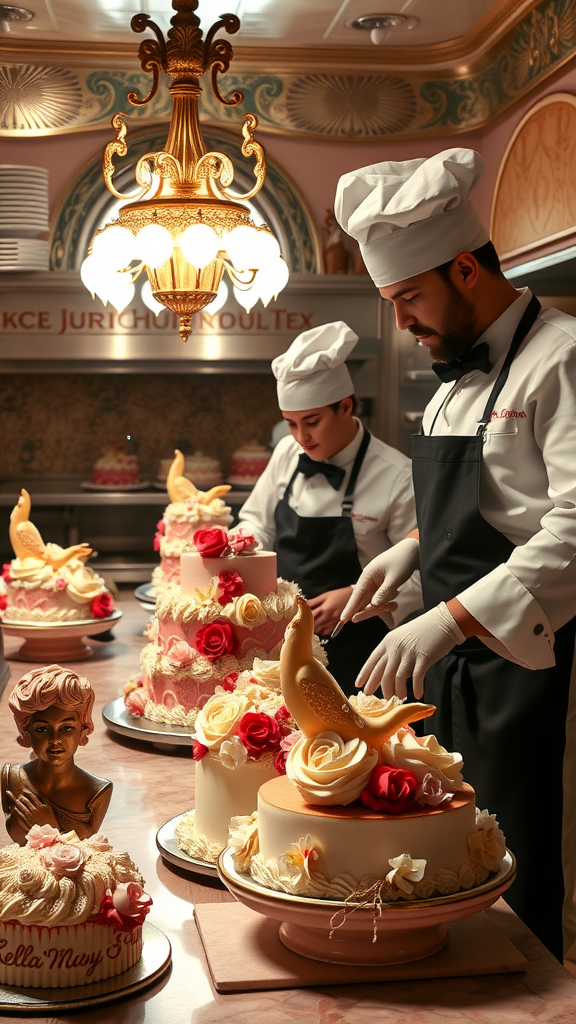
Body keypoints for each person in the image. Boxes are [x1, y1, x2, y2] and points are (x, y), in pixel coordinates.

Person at [333, 147, 576, 960]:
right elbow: (476, 512)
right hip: (450, 666)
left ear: (466, 268)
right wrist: (407, 551)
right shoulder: (446, 384)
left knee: (521, 868)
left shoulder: (562, 358)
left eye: (409, 298)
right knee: (444, 862)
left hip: (532, 669)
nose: (402, 321)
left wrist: (450, 618)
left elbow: (573, 526)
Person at [238, 320, 422, 695]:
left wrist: (358, 595)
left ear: (346, 407)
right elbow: (257, 521)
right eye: (290, 424)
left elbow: (422, 575)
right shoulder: (287, 453)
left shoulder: (398, 476)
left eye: (312, 422)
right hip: (284, 645)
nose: (301, 438)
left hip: (362, 653)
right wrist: (242, 553)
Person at [1, 664, 112, 844]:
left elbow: (86, 851)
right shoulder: (10, 778)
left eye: (66, 728)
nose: (55, 740)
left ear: (82, 729)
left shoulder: (97, 792)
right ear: (26, 730)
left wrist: (48, 826)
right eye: (42, 729)